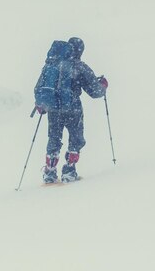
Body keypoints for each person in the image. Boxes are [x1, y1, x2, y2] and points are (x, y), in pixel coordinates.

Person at [35, 37, 108, 183]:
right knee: (76, 138)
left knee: (54, 138)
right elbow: (94, 91)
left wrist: (42, 103)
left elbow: (40, 86)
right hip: (72, 109)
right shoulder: (79, 66)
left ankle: (49, 171)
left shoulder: (51, 65)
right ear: (80, 50)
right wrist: (103, 86)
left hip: (54, 109)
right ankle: (69, 169)